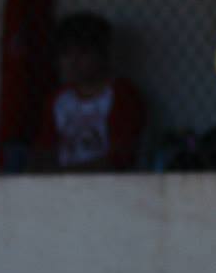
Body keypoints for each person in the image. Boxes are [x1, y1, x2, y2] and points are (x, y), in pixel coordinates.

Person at [34, 12, 146, 172]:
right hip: (61, 181)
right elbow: (44, 149)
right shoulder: (59, 99)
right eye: (66, 54)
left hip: (108, 181)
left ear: (102, 55)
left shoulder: (121, 94)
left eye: (82, 53)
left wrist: (68, 173)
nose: (73, 62)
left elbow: (120, 157)